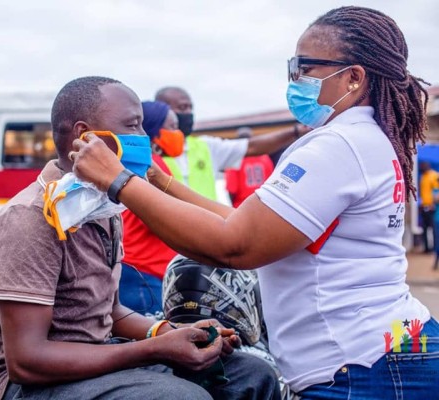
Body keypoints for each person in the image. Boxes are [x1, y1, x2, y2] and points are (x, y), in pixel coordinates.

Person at [71, 6, 438, 399]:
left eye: (304, 67)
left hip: (362, 366)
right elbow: (249, 223)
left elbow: (235, 245)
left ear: (353, 77)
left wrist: (119, 181)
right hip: (387, 347)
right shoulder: (363, 137)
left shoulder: (338, 146)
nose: (295, 79)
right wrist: (162, 183)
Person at [0, 76, 281, 400]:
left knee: (251, 375)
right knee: (183, 397)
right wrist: (155, 349)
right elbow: (27, 361)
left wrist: (169, 331)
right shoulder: (30, 218)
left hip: (96, 357)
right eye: (132, 126)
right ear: (85, 136)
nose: (144, 138)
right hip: (22, 386)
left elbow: (110, 311)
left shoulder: (100, 206)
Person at [155, 86, 307, 201]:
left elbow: (251, 147)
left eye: (190, 108)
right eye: (182, 108)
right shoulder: (151, 152)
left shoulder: (205, 146)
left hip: (207, 228)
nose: (188, 113)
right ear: (163, 111)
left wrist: (295, 131)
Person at [119, 101, 180, 314]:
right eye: (172, 127)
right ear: (156, 129)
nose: (178, 133)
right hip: (146, 272)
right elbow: (164, 216)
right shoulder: (152, 165)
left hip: (135, 266)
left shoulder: (137, 161)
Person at [224, 128, 274, 207]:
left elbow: (232, 189)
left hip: (242, 206)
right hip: (264, 205)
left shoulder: (235, 160)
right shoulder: (265, 158)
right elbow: (272, 183)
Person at [419, 161, 438, 252]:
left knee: (434, 228)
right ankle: (427, 248)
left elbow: (436, 191)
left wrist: (433, 204)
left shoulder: (434, 175)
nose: (421, 168)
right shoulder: (423, 177)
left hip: (432, 207)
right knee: (425, 228)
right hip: (424, 206)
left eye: (423, 166)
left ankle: (434, 248)